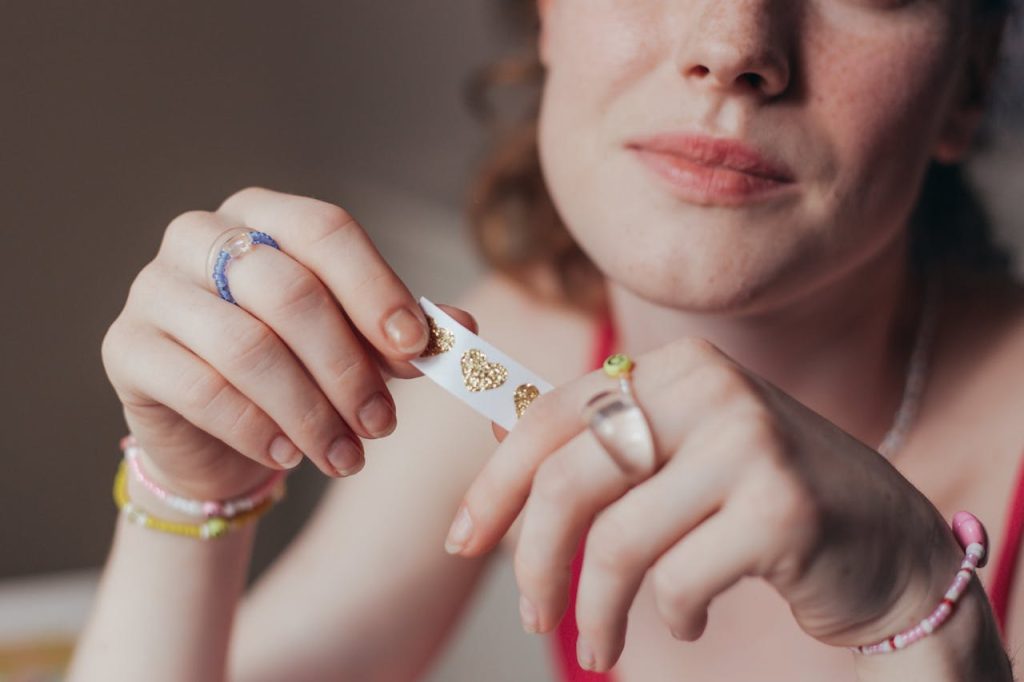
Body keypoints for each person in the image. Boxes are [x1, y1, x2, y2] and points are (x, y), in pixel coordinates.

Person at [68, 0, 1024, 679]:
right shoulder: (516, 353)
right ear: (545, 16)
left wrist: (918, 609)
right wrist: (189, 493)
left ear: (967, 84)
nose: (733, 42)